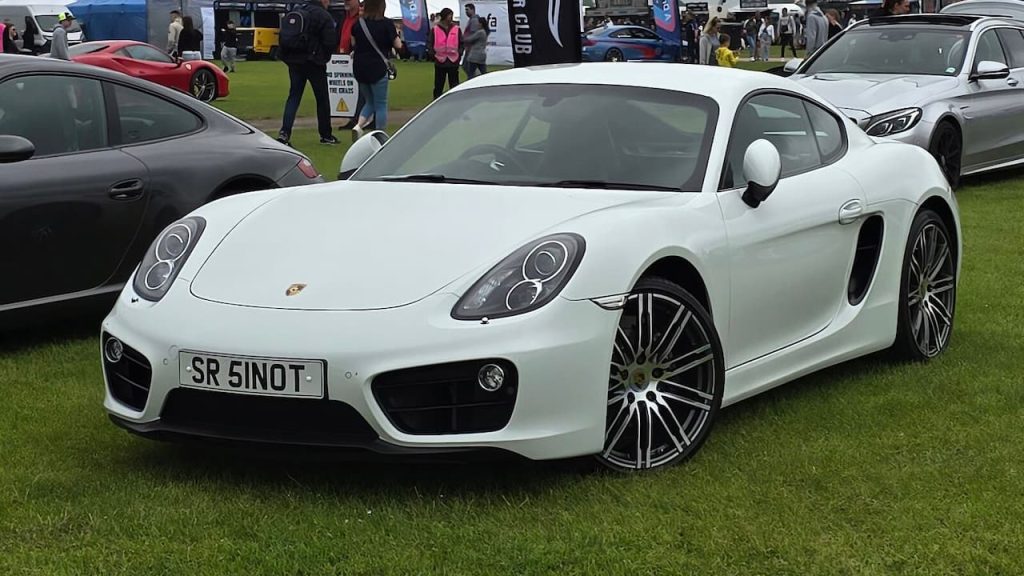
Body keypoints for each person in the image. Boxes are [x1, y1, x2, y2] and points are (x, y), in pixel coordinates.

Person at [277, 0, 340, 146]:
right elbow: (330, 41)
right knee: (322, 99)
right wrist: (323, 57)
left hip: (294, 60)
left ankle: (284, 133)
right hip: (314, 61)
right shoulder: (323, 15)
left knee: (294, 96)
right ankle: (326, 134)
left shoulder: (297, 9)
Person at [350, 0, 402, 140]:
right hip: (378, 67)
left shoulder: (358, 24)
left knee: (369, 101)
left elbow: (353, 43)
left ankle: (358, 126)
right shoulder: (386, 24)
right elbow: (398, 45)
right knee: (381, 104)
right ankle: (380, 135)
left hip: (360, 67)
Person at [428, 8, 461, 99]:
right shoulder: (435, 29)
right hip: (440, 60)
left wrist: (459, 54)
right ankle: (436, 100)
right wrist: (433, 55)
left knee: (454, 84)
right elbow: (430, 42)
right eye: (450, 15)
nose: (451, 17)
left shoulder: (456, 28)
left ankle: (455, 100)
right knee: (438, 84)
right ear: (445, 16)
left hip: (453, 60)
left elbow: (461, 42)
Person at [462, 4, 487, 78]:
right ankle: (476, 79)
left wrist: (464, 40)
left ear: (473, 10)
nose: (466, 12)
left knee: (468, 67)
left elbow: (473, 36)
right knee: (476, 69)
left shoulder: (474, 20)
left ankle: (475, 80)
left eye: (467, 9)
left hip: (473, 50)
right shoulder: (472, 20)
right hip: (474, 50)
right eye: (465, 10)